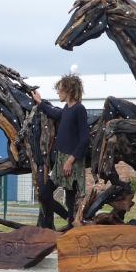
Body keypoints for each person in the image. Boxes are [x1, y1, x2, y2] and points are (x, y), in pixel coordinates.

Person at [32, 74, 89, 230]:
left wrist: (70, 161)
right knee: (44, 195)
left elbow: (85, 139)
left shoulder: (79, 109)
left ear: (69, 90)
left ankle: (71, 226)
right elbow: (55, 114)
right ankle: (60, 221)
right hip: (60, 161)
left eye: (60, 90)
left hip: (71, 163)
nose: (58, 93)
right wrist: (40, 102)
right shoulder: (66, 109)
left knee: (70, 201)